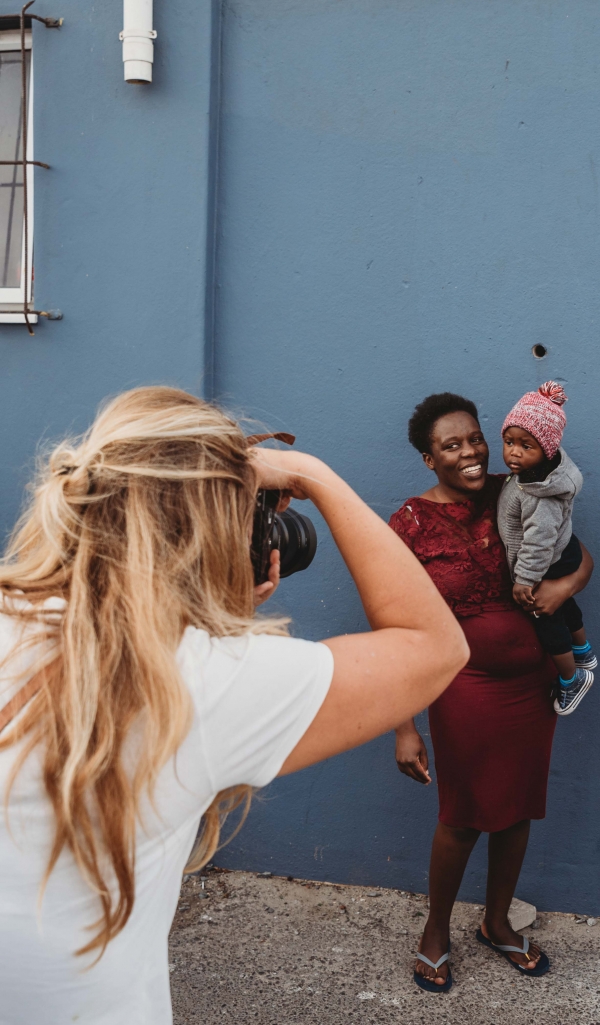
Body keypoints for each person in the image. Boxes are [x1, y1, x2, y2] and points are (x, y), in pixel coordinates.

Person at [0, 386, 467, 1025]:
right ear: (223, 539)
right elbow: (435, 648)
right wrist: (313, 475)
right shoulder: (199, 678)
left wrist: (210, 610)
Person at [389, 393, 594, 993]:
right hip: (463, 688)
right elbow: (395, 630)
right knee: (461, 817)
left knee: (518, 810)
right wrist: (404, 726)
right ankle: (435, 931)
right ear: (429, 459)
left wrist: (564, 590)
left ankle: (498, 923)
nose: (471, 453)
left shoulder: (521, 487)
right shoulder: (408, 524)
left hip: (532, 687)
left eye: (474, 438)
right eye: (451, 445)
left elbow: (580, 560)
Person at [498, 381, 596, 716]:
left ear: (548, 450)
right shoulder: (530, 474)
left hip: (546, 563)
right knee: (566, 605)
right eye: (509, 442)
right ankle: (583, 650)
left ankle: (571, 678)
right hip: (562, 553)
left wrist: (525, 579)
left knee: (546, 616)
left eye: (527, 446)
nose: (514, 452)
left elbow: (538, 541)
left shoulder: (540, 493)